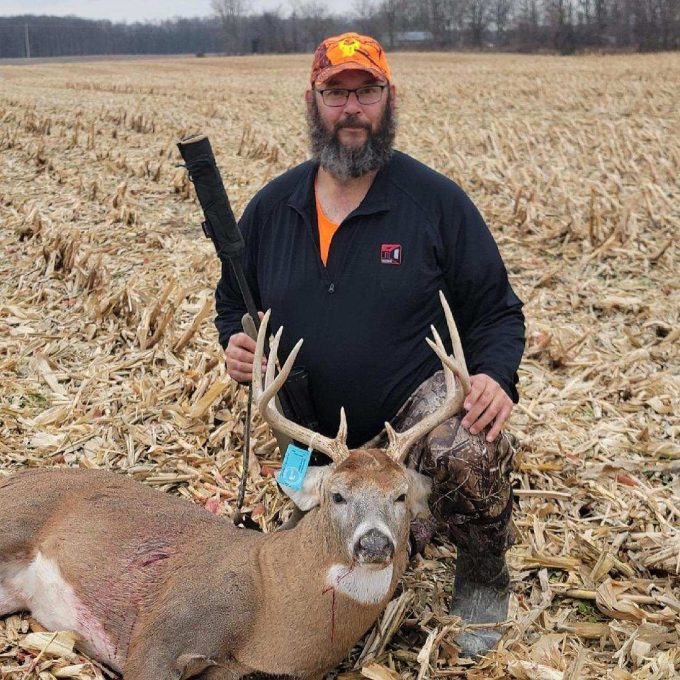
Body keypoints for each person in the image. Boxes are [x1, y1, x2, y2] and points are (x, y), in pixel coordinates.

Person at [215, 33, 525, 658]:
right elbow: (231, 302)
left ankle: (482, 574)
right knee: (301, 538)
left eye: (367, 91)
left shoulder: (434, 204)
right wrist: (236, 343)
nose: (351, 108)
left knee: (470, 448)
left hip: (409, 423)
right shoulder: (272, 208)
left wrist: (495, 375)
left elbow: (497, 310)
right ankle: (357, 518)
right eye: (336, 93)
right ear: (313, 101)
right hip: (310, 432)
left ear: (389, 98)